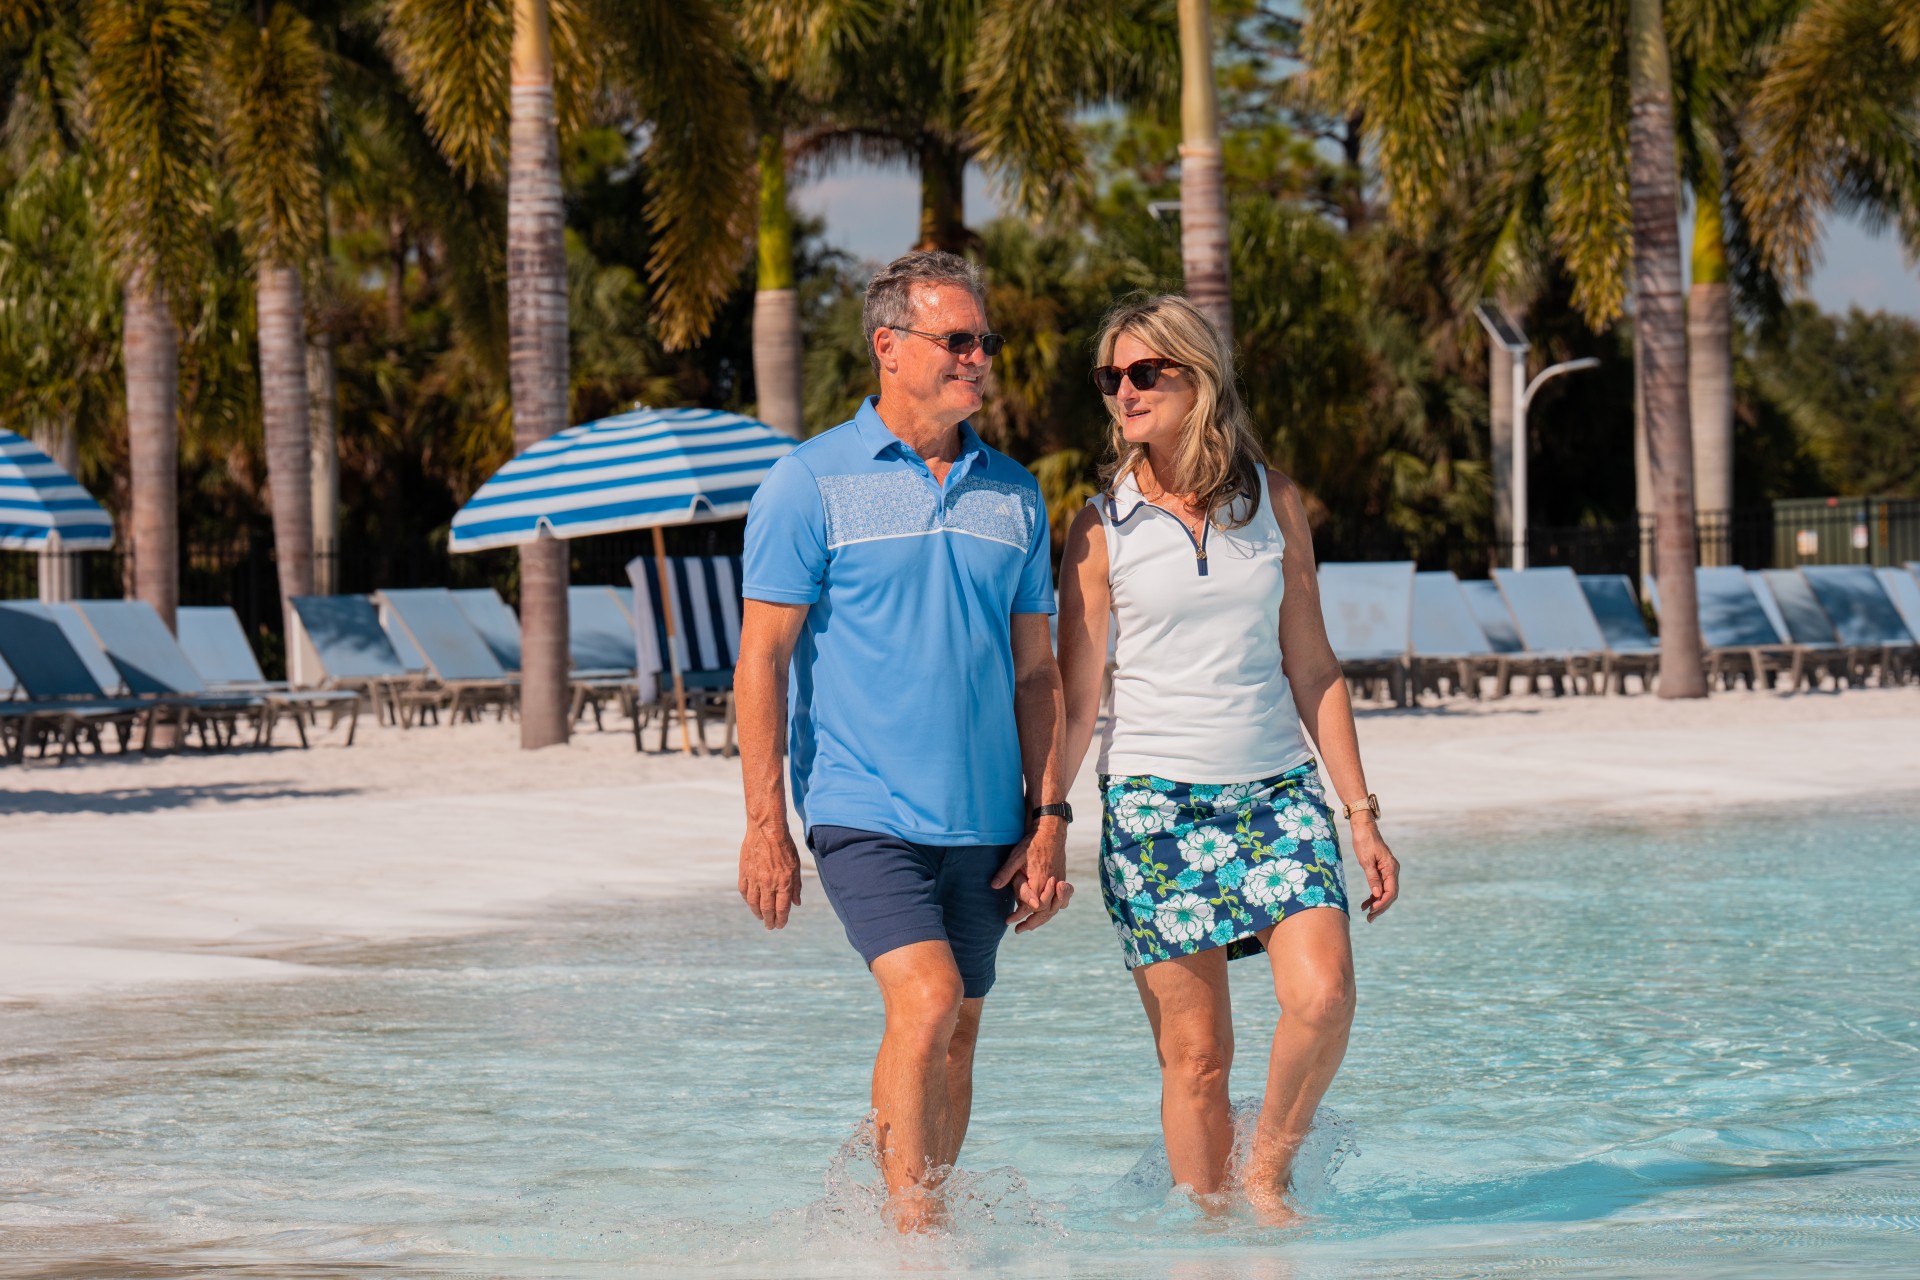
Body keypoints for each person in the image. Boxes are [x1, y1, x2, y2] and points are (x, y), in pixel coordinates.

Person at [734, 251, 1072, 1231]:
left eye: (983, 341)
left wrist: (1047, 819)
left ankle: (912, 1207)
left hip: (986, 818)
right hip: (860, 802)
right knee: (927, 998)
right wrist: (765, 824)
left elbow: (1037, 674)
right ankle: (913, 1241)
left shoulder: (1011, 492)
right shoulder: (808, 483)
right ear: (889, 346)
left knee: (959, 1028)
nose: (978, 357)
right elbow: (762, 660)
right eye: (956, 339)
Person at [1055, 294, 1401, 1223]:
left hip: (1276, 795)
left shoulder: (1273, 499)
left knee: (1323, 997)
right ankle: (1207, 1236)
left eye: (1142, 373)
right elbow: (1077, 696)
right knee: (1197, 1060)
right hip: (1154, 806)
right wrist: (1048, 821)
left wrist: (1360, 812)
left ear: (1194, 376)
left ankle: (1267, 1178)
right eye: (1109, 378)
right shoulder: (1100, 527)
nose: (1122, 392)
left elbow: (1315, 666)